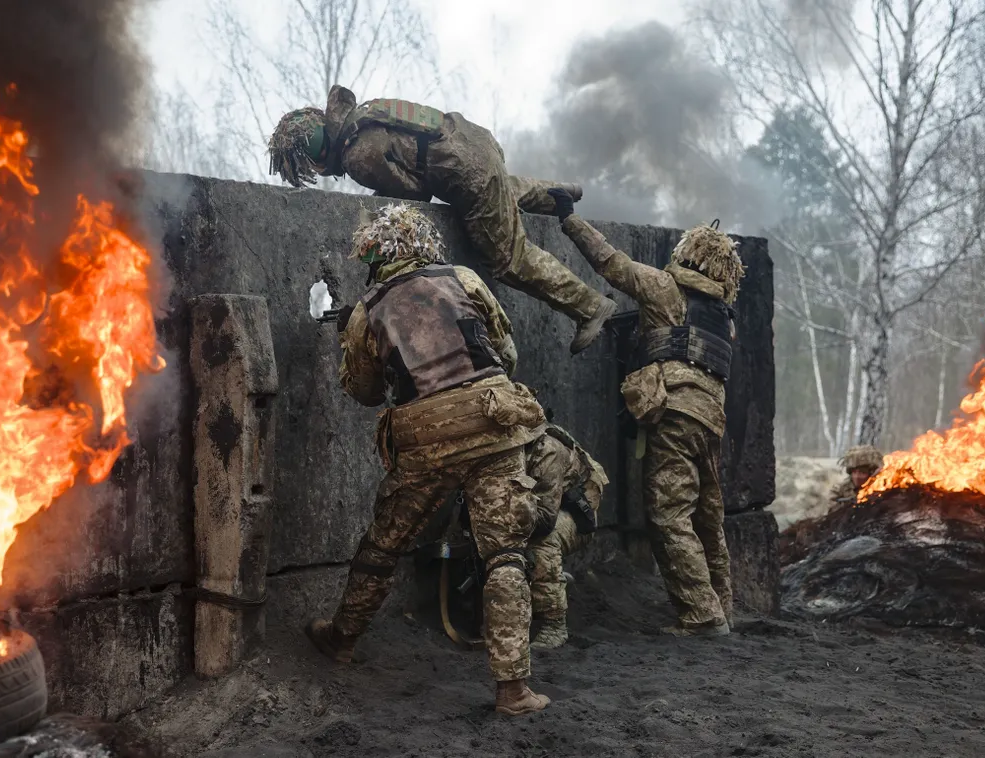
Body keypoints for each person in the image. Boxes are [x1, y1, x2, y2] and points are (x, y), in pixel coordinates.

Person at [305, 202, 550, 715]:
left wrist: (355, 341)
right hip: (494, 420)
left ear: (374, 259)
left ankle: (343, 639)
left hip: (425, 438)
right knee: (504, 553)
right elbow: (505, 351)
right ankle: (513, 690)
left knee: (383, 544)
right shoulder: (461, 277)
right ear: (425, 245)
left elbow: (365, 392)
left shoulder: (368, 309)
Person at [267, 85, 618, 354]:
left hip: (467, 174)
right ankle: (559, 193)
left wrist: (376, 219)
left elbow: (414, 193)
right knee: (497, 189)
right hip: (475, 141)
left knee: (507, 258)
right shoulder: (364, 114)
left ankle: (590, 307)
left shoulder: (357, 154)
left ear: (314, 156)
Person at [546, 188, 744, 637]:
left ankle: (702, 616)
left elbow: (609, 262)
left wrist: (569, 219)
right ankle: (724, 608)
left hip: (674, 415)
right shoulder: (721, 317)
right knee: (709, 520)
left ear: (687, 254)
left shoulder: (664, 289)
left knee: (670, 514)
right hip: (711, 422)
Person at [524, 421, 608, 649]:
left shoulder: (547, 450)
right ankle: (550, 581)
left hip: (572, 517)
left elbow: (545, 519)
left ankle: (554, 624)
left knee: (541, 542)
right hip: (536, 508)